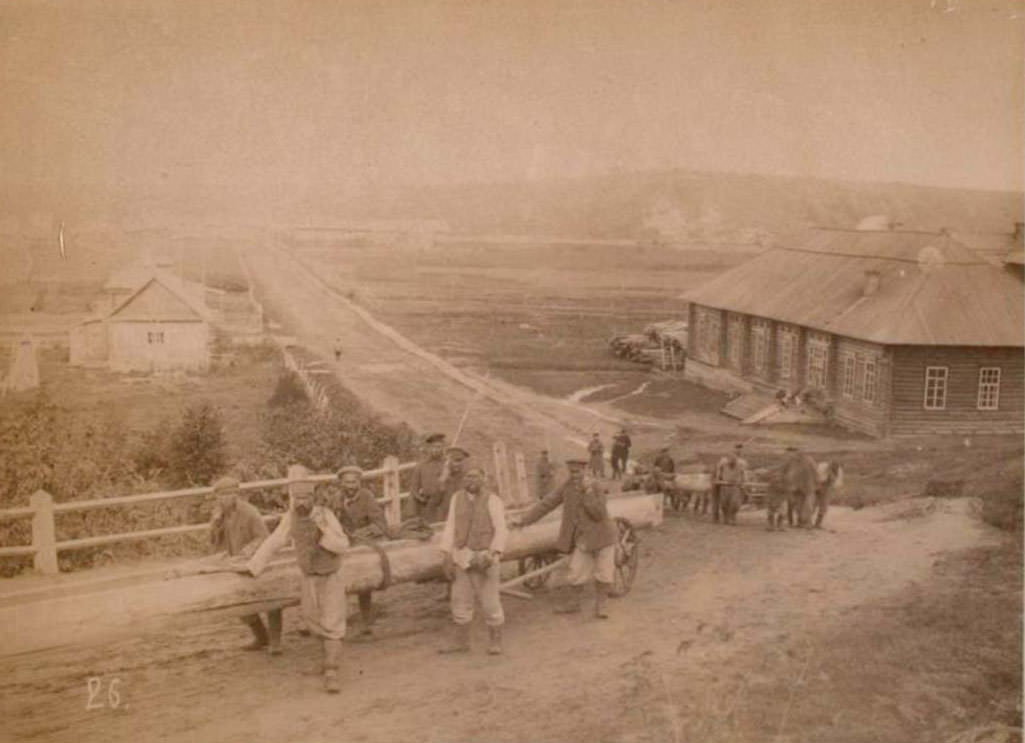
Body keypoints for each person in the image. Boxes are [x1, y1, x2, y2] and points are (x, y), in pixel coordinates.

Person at [244, 465, 350, 693]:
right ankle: (324, 663)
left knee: (332, 624)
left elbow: (343, 545)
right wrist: (253, 567)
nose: (301, 502)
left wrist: (322, 532)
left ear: (313, 497)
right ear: (292, 498)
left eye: (305, 497)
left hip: (330, 576)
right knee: (313, 622)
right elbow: (274, 542)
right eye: (297, 497)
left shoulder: (325, 515)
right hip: (308, 577)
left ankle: (332, 672)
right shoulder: (290, 518)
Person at [510, 459, 619, 619]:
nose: (574, 475)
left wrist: (587, 492)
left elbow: (599, 514)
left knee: (604, 572)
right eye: (571, 472)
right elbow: (546, 504)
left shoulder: (596, 487)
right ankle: (574, 604)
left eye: (577, 472)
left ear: (585, 470)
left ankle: (601, 606)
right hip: (583, 539)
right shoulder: (567, 487)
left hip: (603, 536)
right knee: (576, 572)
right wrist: (524, 520)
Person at [438, 466, 508, 655]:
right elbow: (450, 527)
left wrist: (493, 554)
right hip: (462, 556)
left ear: (483, 478)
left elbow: (501, 529)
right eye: (468, 476)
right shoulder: (456, 498)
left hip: (484, 556)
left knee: (490, 602)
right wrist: (446, 555)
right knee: (460, 601)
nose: (471, 480)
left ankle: (495, 642)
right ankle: (461, 642)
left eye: (475, 476)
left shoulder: (493, 500)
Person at [209, 476, 282, 655]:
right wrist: (216, 523)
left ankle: (275, 641)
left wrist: (247, 553)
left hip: (259, 560)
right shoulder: (220, 514)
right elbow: (213, 541)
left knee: (271, 598)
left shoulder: (250, 512)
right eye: (220, 496)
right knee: (239, 598)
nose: (224, 499)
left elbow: (263, 537)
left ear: (236, 495)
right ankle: (260, 636)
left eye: (228, 495)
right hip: (236, 562)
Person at [333, 465, 393, 638]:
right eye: (346, 482)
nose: (350, 486)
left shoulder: (367, 497)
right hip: (341, 545)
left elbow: (380, 524)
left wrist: (361, 533)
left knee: (363, 584)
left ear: (359, 483)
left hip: (362, 544)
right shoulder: (336, 498)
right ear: (341, 483)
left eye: (354, 482)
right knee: (335, 582)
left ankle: (366, 622)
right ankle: (338, 624)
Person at [410, 433, 448, 522]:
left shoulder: (448, 464)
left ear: (443, 448)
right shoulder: (421, 465)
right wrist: (421, 499)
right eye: (433, 447)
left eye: (439, 447)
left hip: (444, 505)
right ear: (429, 448)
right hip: (427, 505)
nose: (436, 450)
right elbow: (414, 487)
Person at [714, 444, 748, 525]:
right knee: (724, 503)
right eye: (736, 449)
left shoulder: (742, 463)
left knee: (735, 503)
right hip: (725, 485)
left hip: (736, 486)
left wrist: (745, 481)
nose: (738, 451)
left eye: (740, 450)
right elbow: (719, 470)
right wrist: (718, 478)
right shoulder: (723, 461)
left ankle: (733, 517)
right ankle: (726, 517)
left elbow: (744, 473)